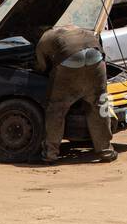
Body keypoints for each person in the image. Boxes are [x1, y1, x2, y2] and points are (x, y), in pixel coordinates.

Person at [34, 24, 117, 164]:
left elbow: (42, 67)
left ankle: (50, 154)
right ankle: (106, 151)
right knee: (99, 105)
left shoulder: (45, 38)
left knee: (56, 109)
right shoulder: (79, 28)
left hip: (71, 64)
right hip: (96, 61)